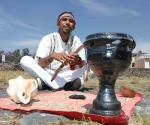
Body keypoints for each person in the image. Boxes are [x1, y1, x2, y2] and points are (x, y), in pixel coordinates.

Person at [20, 11, 86, 91]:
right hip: (48, 73)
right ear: (58, 24)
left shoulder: (76, 40)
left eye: (71, 21)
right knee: (25, 60)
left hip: (67, 75)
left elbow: (81, 65)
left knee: (86, 68)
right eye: (64, 20)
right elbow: (40, 63)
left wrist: (76, 61)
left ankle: (46, 83)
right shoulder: (48, 38)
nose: (67, 22)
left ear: (74, 26)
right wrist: (51, 56)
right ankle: (60, 85)